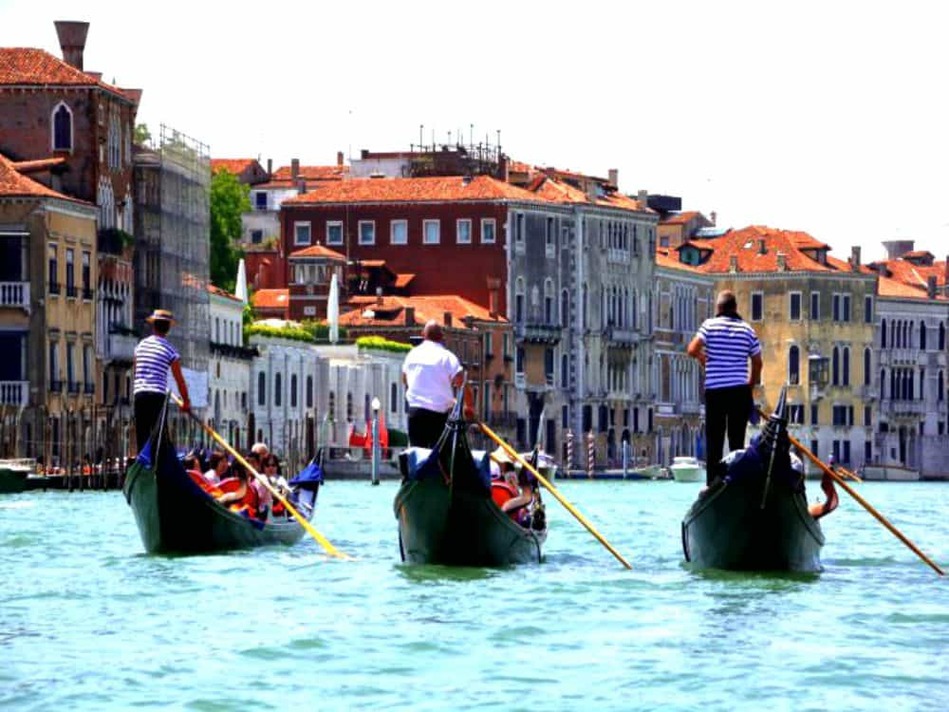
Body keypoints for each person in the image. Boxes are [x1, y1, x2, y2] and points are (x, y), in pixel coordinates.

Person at [687, 290, 763, 485]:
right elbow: (757, 362)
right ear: (735, 308)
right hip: (739, 391)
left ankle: (712, 483)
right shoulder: (747, 330)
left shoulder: (709, 326)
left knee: (715, 440)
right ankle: (736, 480)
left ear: (719, 308)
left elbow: (692, 349)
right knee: (737, 440)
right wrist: (749, 386)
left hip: (715, 391)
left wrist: (703, 359)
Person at [132, 309, 191, 454]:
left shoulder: (141, 346)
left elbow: (136, 370)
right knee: (159, 436)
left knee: (143, 434)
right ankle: (159, 468)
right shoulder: (170, 350)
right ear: (168, 328)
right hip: (157, 395)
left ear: (153, 326)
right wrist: (186, 402)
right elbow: (179, 380)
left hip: (139, 393)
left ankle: (144, 465)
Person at [401, 320, 465, 448]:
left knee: (417, 454)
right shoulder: (446, 357)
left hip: (415, 413)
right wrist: (465, 404)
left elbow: (404, 378)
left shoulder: (412, 354)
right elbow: (461, 381)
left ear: (423, 335)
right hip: (438, 415)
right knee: (439, 456)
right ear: (441, 337)